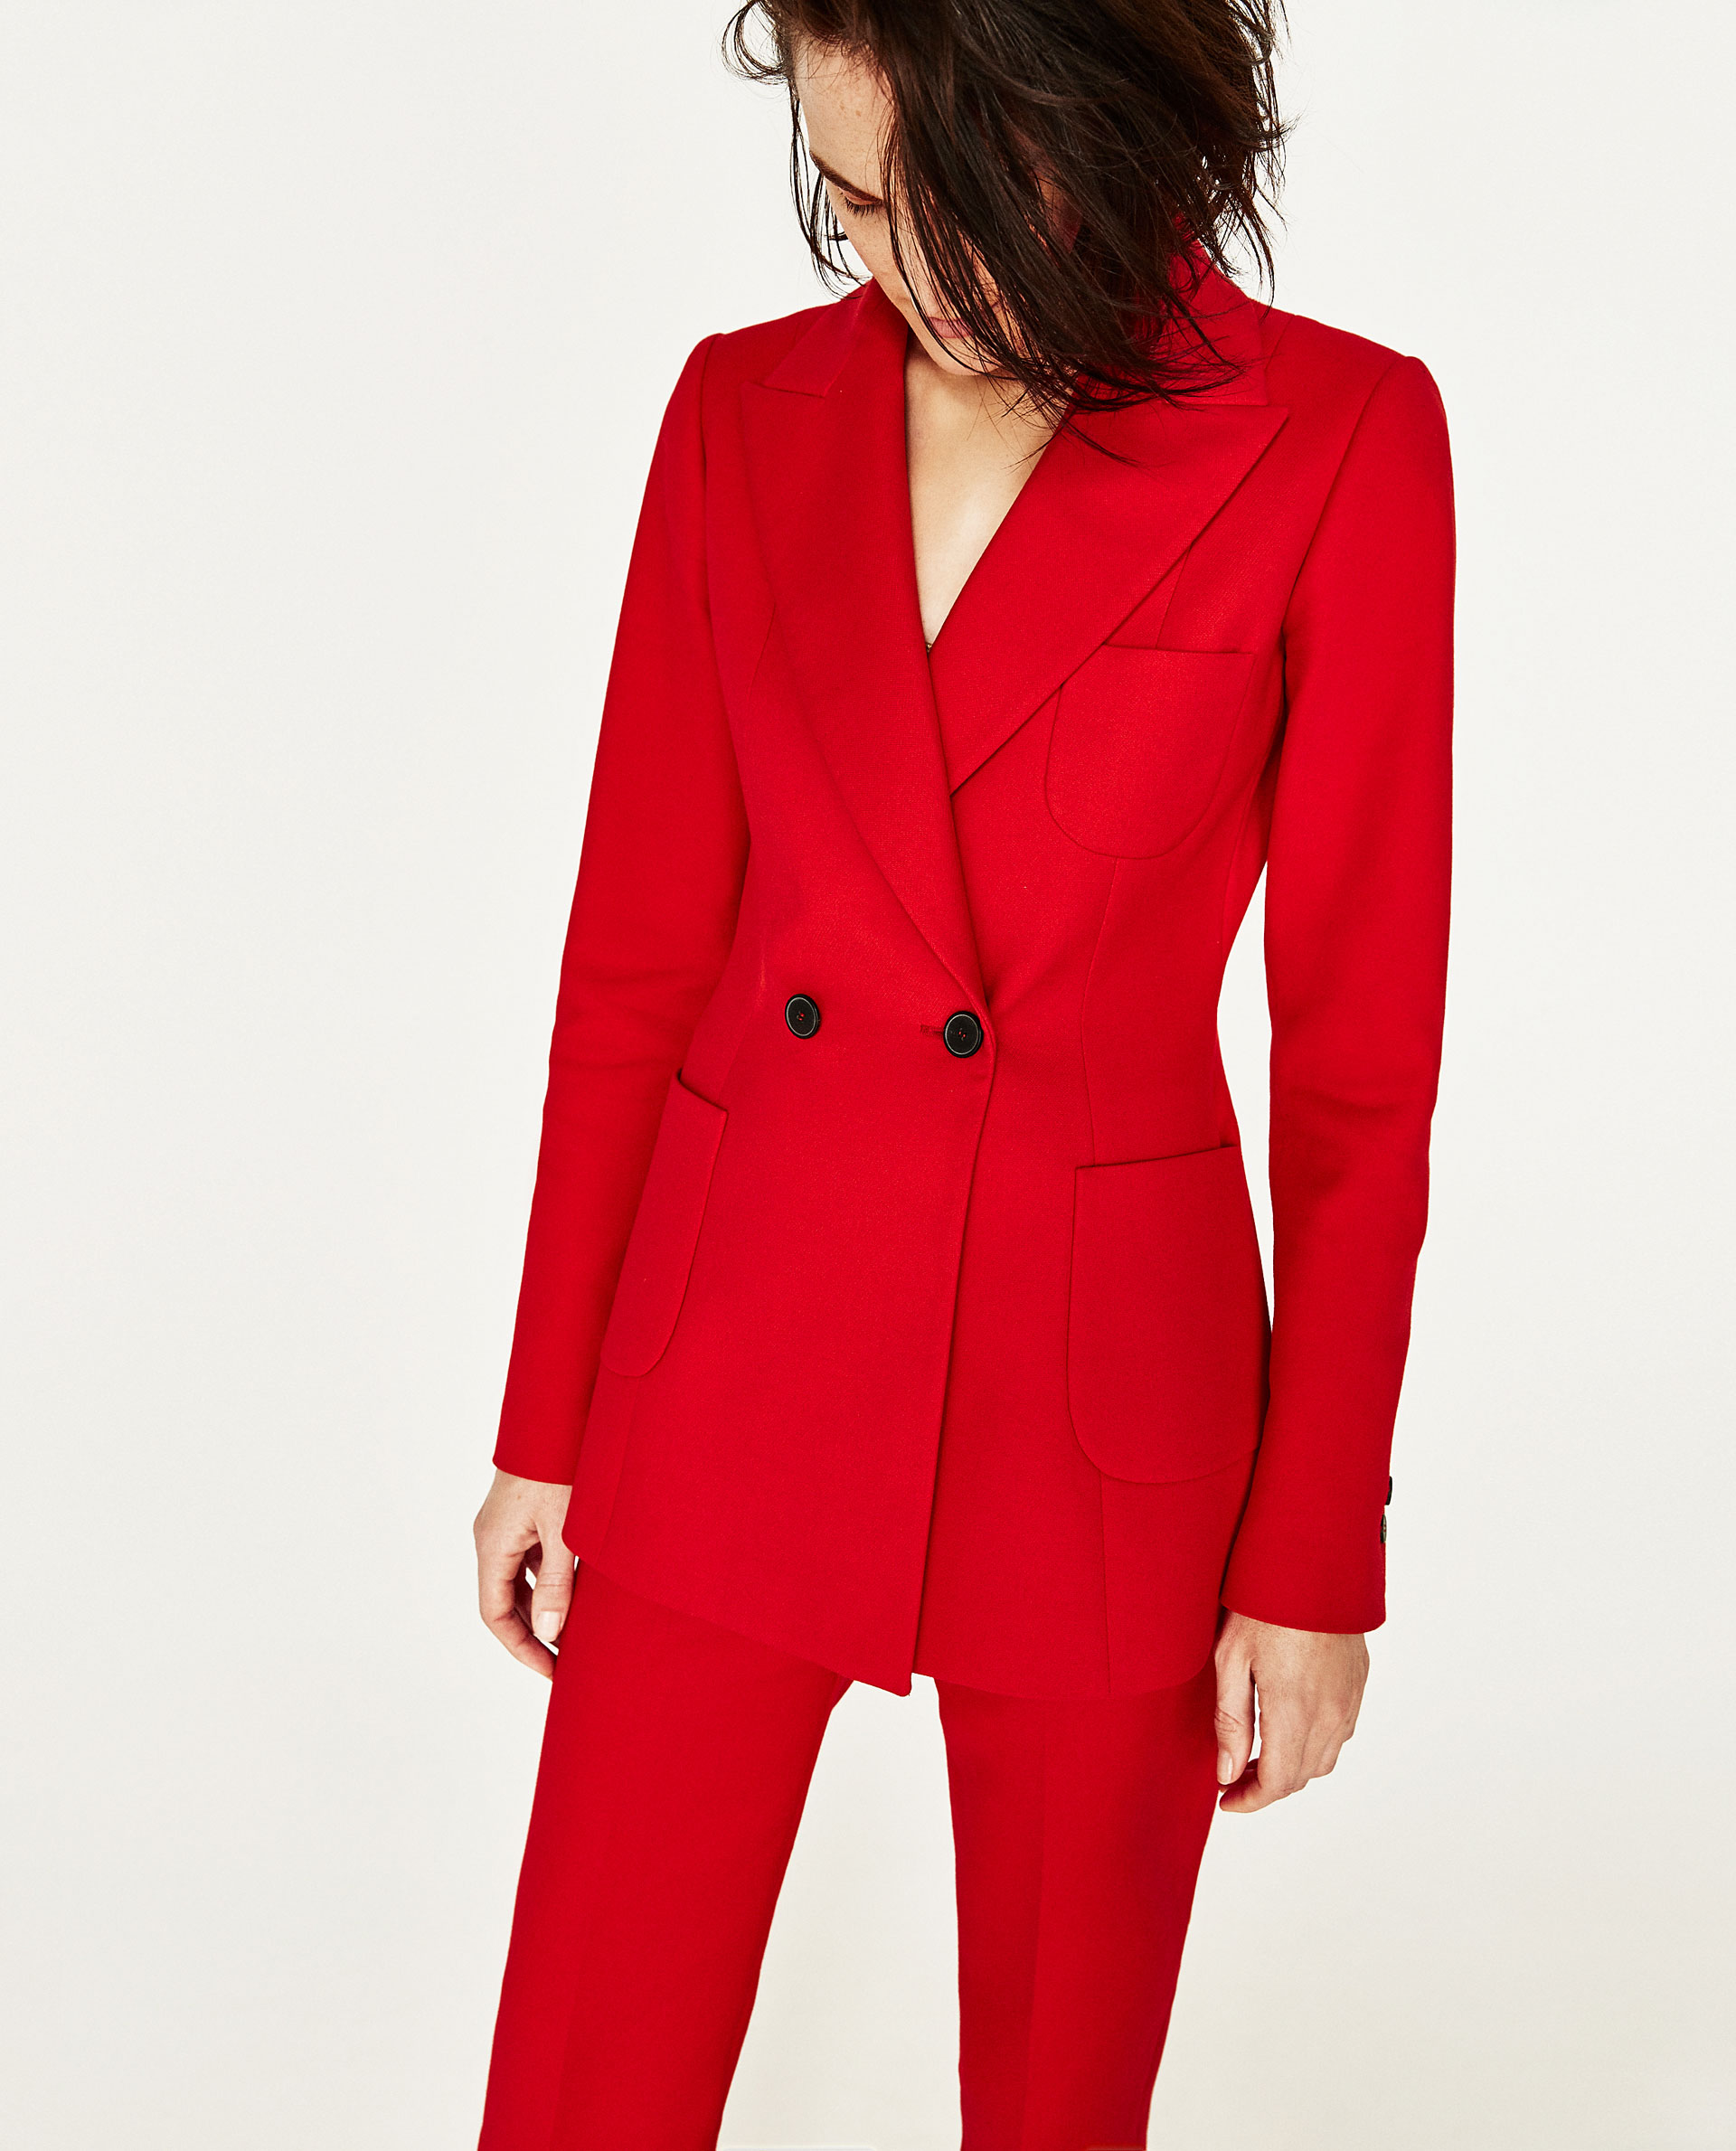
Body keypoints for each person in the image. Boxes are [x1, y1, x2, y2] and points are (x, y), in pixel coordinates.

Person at [472, 0, 1454, 2143]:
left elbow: (1359, 1074)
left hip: (1097, 1407)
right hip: (725, 1351)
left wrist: (1312, 1556)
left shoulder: (1336, 438)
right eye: (850, 203)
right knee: (582, 2073)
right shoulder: (739, 415)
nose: (901, 266)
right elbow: (634, 965)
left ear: (1106, 127)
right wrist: (547, 1418)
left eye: (957, 198)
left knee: (1058, 2095)